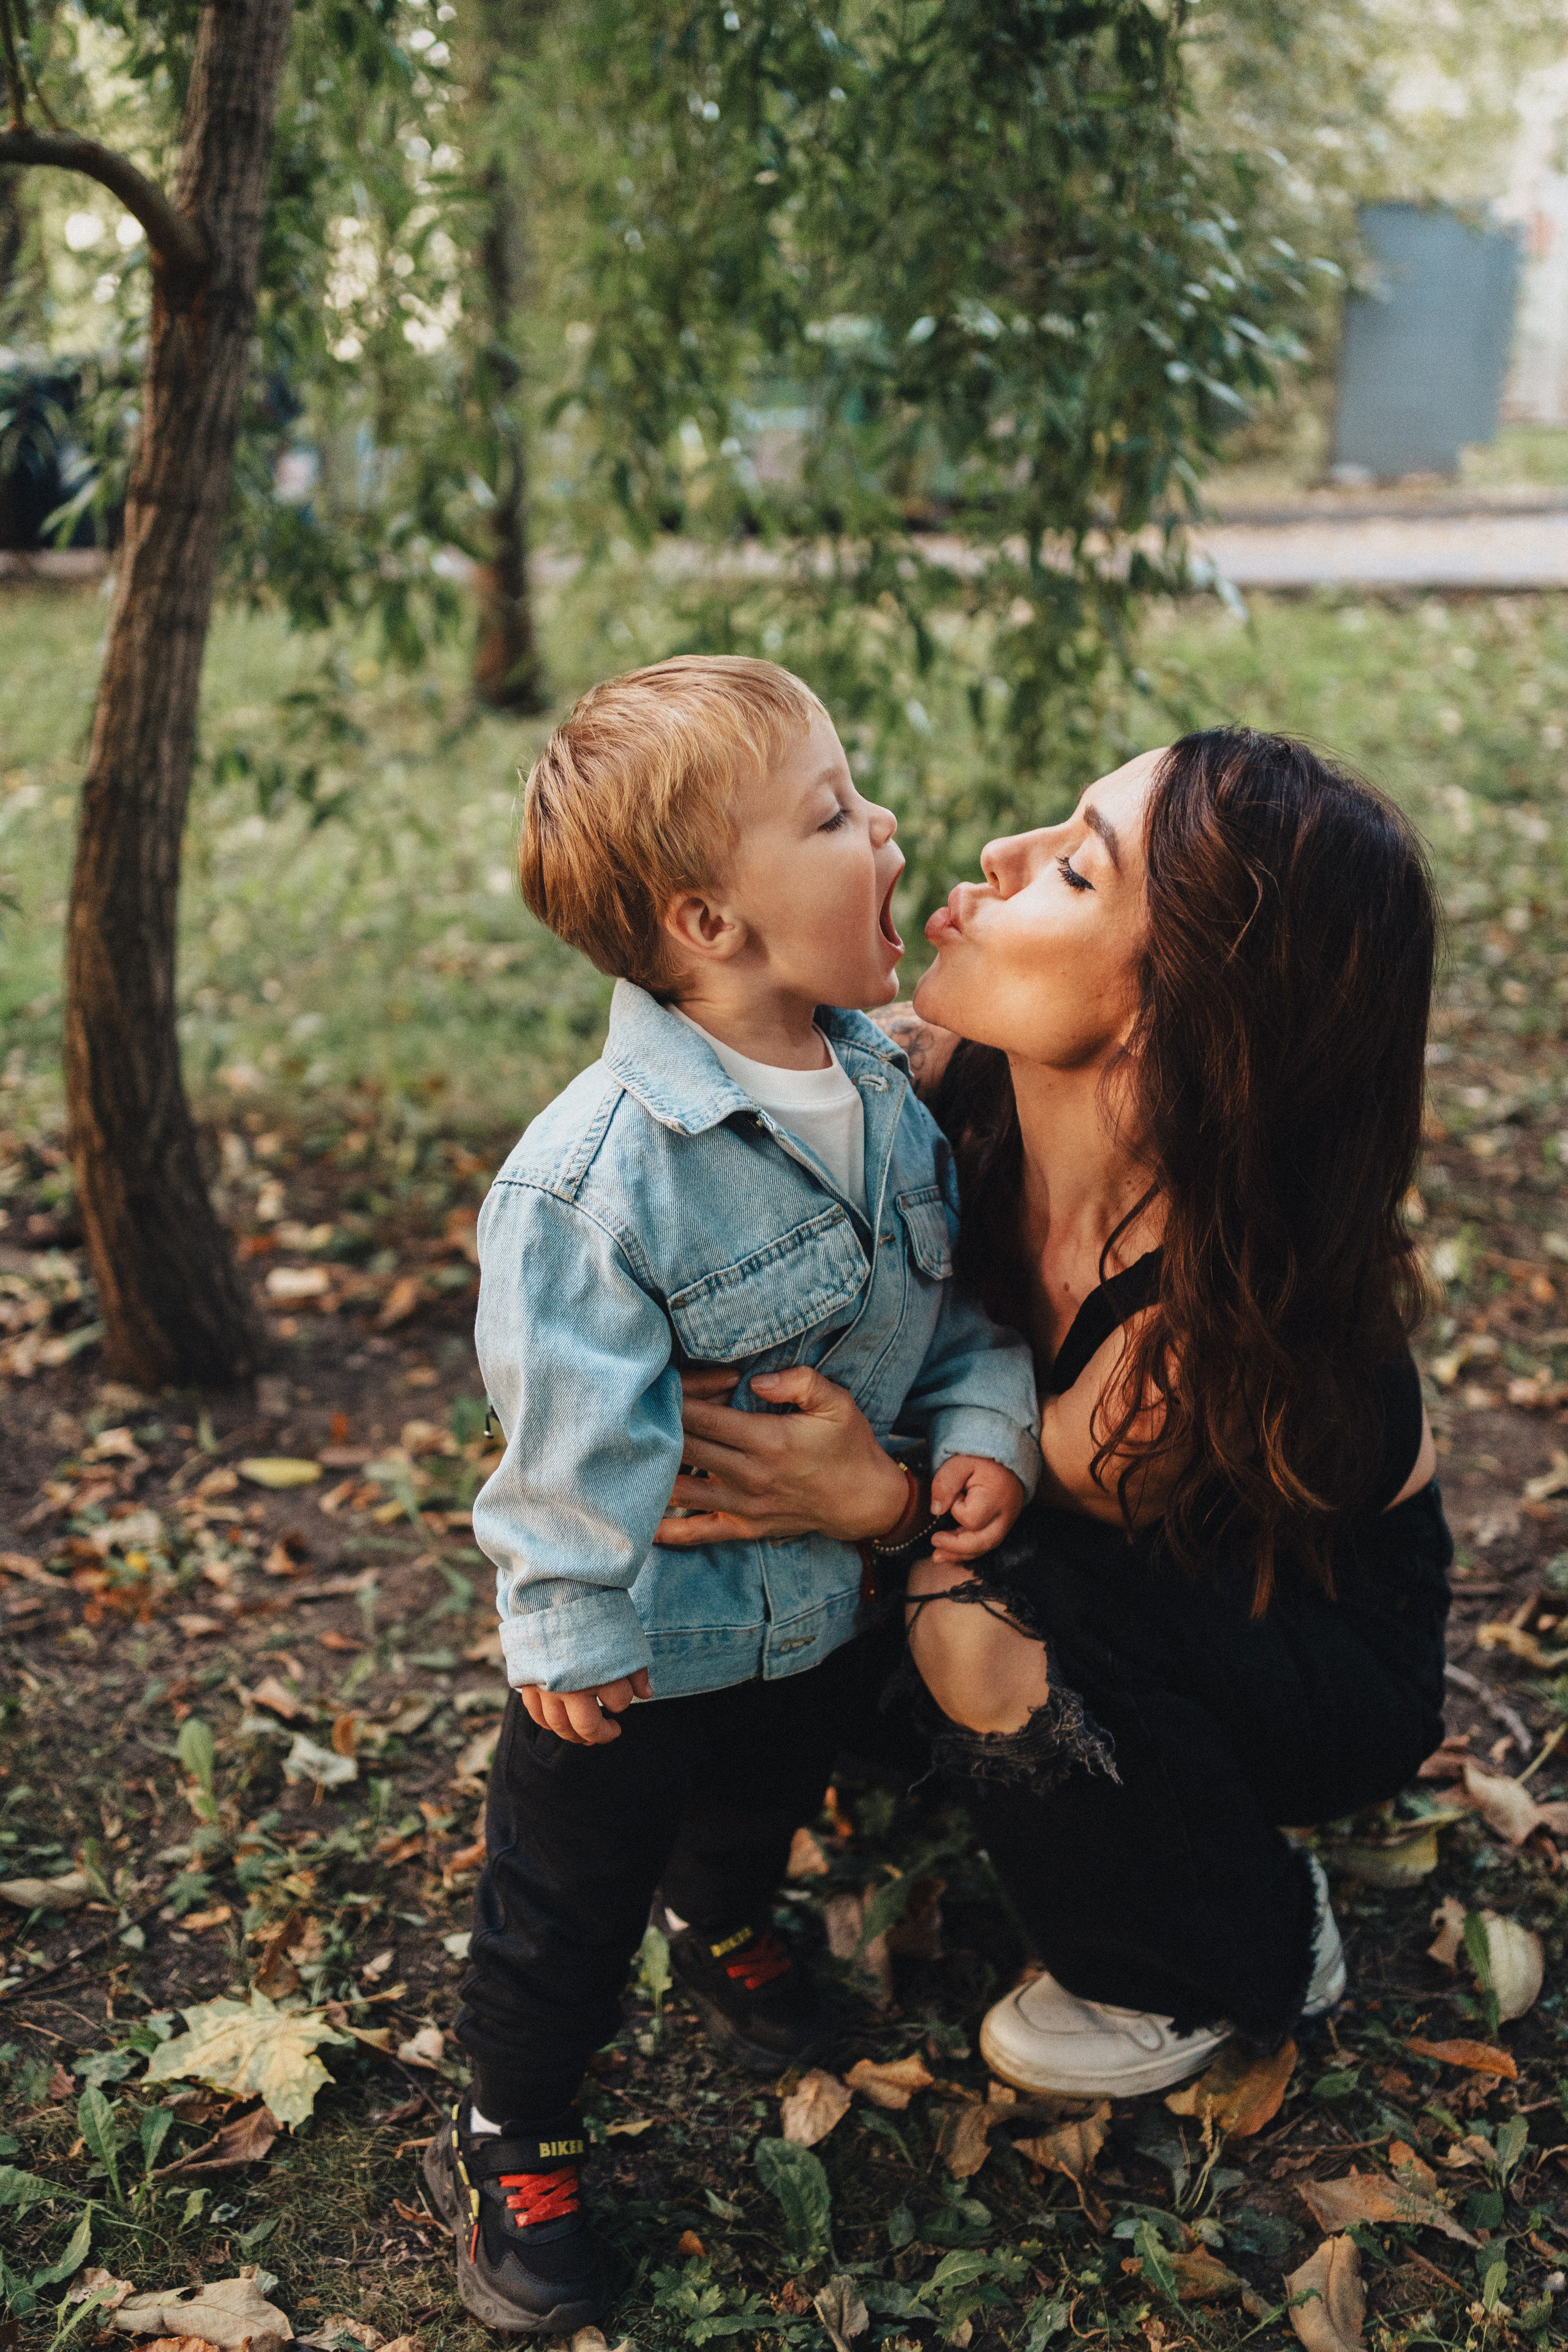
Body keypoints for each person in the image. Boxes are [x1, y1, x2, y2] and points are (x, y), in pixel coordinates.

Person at [654, 726, 1452, 2101]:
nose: (999, 857)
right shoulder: (927, 1082)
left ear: (1176, 1009)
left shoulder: (1203, 1323)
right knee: (789, 1523)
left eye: (1074, 871)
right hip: (1123, 1559)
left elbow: (980, 1507)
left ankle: (1229, 1946)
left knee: (965, 1606)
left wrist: (871, 1502)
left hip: (1305, 1646)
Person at [423, 656, 1042, 2332]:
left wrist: (982, 1428)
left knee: (757, 1800)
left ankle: (726, 1926)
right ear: (709, 923)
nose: (887, 824)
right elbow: (559, 1431)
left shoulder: (888, 1100)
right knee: (560, 1911)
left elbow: (948, 1314)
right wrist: (567, 1625)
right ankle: (519, 2129)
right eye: (834, 814)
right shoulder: (597, 1175)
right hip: (643, 1649)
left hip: (812, 1607)